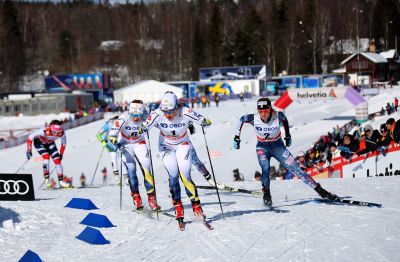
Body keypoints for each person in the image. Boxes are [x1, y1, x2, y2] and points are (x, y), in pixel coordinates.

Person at [232, 97, 338, 207]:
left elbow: (285, 120)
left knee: (298, 170)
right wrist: (236, 138)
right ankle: (267, 194)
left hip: (278, 147)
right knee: (265, 169)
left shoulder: (278, 116)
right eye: (260, 112)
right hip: (262, 148)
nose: (263, 114)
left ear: (270, 110)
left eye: (266, 111)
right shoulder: (253, 118)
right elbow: (241, 120)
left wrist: (288, 136)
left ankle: (321, 191)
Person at [142, 91, 211, 222]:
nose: (168, 115)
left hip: (183, 144)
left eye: (170, 112)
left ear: (176, 107)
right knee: (173, 175)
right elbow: (145, 125)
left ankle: (196, 207)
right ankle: (178, 205)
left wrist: (204, 122)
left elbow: (203, 119)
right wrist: (143, 129)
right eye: (165, 112)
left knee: (185, 175)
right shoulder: (157, 113)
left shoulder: (185, 111)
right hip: (166, 146)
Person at [108, 100, 160, 211]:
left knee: (147, 169)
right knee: (131, 171)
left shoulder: (146, 116)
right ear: (130, 112)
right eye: (133, 115)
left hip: (139, 143)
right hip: (125, 144)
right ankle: (136, 198)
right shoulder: (123, 118)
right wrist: (116, 144)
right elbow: (111, 135)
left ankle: (152, 199)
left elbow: (160, 122)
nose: (136, 118)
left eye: (138, 115)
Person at [26, 120, 71, 188]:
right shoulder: (43, 130)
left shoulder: (62, 132)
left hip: (50, 143)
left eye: (58, 132)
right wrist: (29, 150)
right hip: (39, 143)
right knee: (46, 157)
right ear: (50, 128)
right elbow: (30, 138)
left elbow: (63, 144)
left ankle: (61, 182)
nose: (56, 134)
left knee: (57, 161)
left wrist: (61, 154)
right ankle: (47, 180)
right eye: (54, 132)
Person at [96, 116, 128, 185]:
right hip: (110, 145)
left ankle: (126, 178)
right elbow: (98, 135)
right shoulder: (108, 125)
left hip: (118, 144)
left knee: (122, 159)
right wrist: (102, 142)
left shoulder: (121, 123)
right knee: (114, 158)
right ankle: (117, 178)